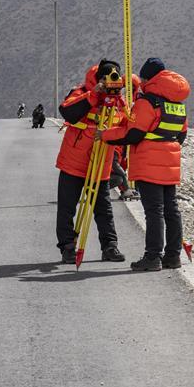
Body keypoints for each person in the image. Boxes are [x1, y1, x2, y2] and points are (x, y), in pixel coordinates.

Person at [97, 58, 189, 272]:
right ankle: (173, 256)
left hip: (149, 164)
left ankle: (152, 257)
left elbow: (134, 134)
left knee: (154, 211)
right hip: (170, 164)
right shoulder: (177, 104)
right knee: (171, 210)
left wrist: (105, 135)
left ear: (148, 78)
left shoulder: (147, 102)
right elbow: (181, 136)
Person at [55, 60, 127, 265]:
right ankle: (68, 247)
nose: (112, 82)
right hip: (74, 162)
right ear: (99, 79)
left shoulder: (120, 102)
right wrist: (95, 93)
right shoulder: (81, 92)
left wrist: (118, 161)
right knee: (67, 208)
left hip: (101, 163)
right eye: (108, 78)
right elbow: (67, 111)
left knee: (103, 209)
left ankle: (110, 246)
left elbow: (124, 129)